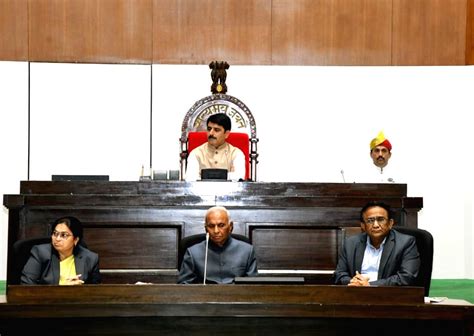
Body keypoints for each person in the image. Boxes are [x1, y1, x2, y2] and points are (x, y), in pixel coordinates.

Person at [334, 201, 420, 287]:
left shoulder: (406, 243)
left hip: (389, 296)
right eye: (370, 220)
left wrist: (369, 285)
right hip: (356, 294)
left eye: (381, 220)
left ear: (390, 223)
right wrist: (353, 282)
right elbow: (339, 274)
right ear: (363, 225)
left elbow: (407, 277)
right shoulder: (350, 243)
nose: (376, 225)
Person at [178, 206, 258, 284]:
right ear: (206, 228)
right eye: (211, 226)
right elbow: (184, 286)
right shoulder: (193, 253)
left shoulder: (247, 251)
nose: (216, 231)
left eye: (221, 225)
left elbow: (252, 286)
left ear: (230, 226)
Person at [21, 216, 101, 285]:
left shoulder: (90, 258)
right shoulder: (40, 253)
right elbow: (27, 286)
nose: (57, 239)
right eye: (55, 234)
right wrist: (63, 288)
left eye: (64, 235)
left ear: (75, 239)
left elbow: (95, 291)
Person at [185, 113, 246, 181]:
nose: (211, 133)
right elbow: (190, 178)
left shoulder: (236, 153)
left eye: (216, 130)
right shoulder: (196, 153)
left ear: (226, 134)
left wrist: (206, 176)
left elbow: (239, 176)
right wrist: (226, 176)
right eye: (209, 129)